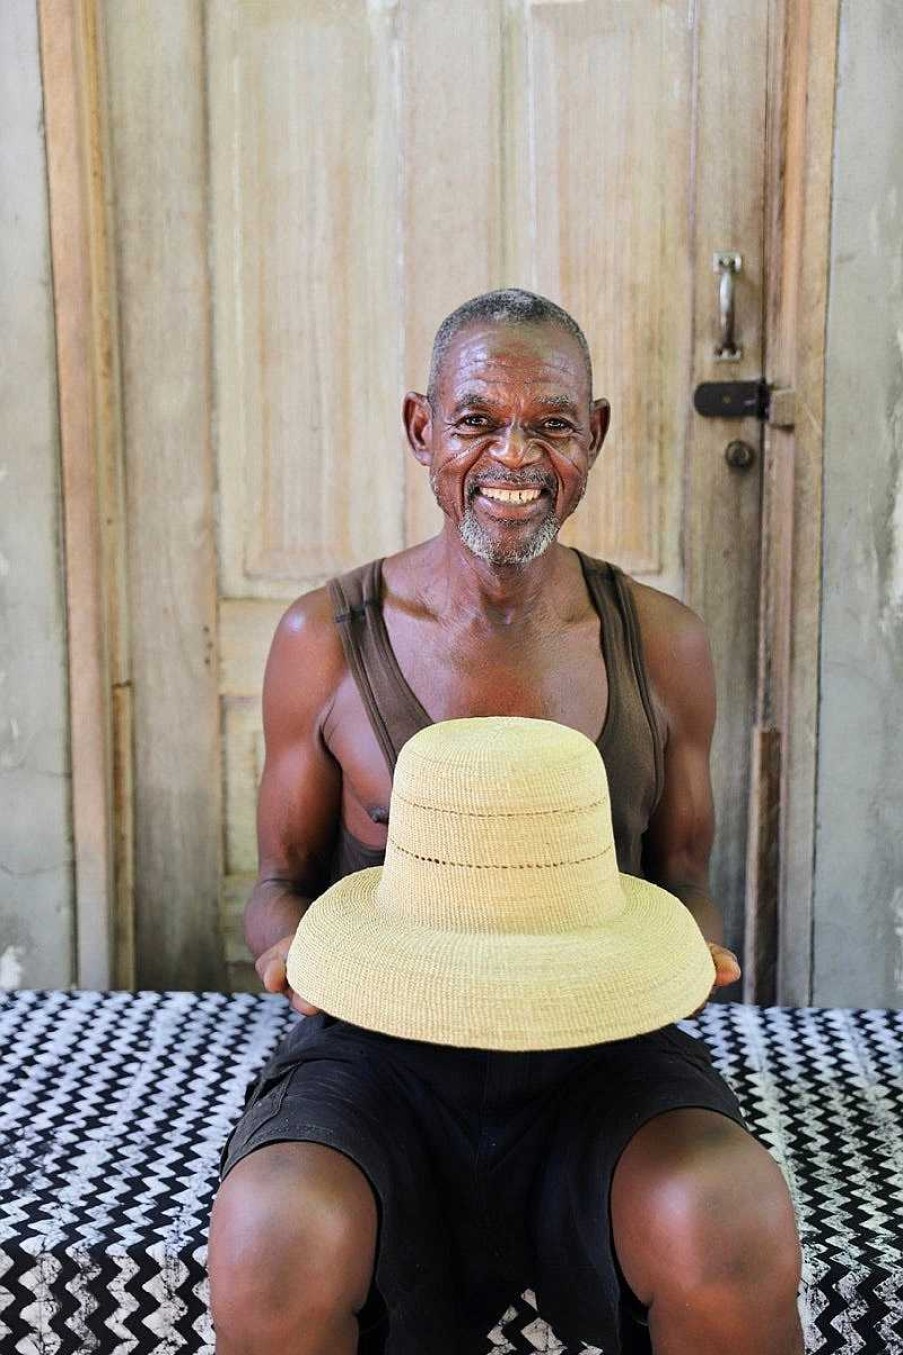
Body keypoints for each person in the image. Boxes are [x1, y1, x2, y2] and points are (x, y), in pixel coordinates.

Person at [208, 289, 803, 1354]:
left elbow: (683, 873)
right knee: (271, 1230)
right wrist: (287, 950)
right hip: (378, 1060)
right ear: (421, 429)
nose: (514, 454)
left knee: (732, 1211)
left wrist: (698, 943)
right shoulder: (326, 636)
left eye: (554, 421)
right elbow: (275, 881)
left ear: (598, 433)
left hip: (599, 1057)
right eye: (477, 418)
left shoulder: (659, 641)